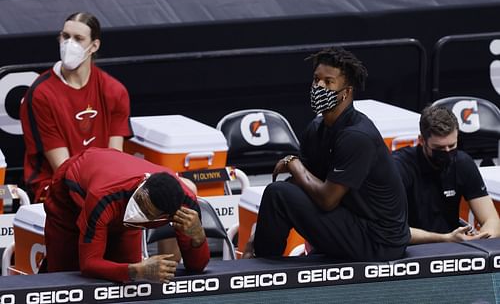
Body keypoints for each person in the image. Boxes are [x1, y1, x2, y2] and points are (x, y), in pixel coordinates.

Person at [245, 47, 410, 261]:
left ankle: (261, 265)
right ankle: (262, 261)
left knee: (277, 194)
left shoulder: (357, 136)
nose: (319, 86)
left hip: (380, 241)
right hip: (352, 220)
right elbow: (299, 184)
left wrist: (293, 163)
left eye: (328, 82)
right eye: (316, 80)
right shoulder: (316, 128)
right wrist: (259, 231)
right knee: (280, 193)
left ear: (346, 92)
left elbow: (327, 201)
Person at [44, 147, 209, 283]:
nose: (136, 209)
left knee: (127, 284)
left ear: (165, 216)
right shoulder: (102, 195)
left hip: (121, 211)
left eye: (146, 211)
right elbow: (88, 263)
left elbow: (197, 267)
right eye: (139, 201)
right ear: (144, 184)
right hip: (70, 202)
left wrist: (198, 237)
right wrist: (136, 270)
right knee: (66, 278)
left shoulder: (186, 207)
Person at [20, 12, 132, 203]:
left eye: (78, 39)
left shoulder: (114, 91)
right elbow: (63, 169)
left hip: (101, 184)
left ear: (94, 46)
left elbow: (115, 158)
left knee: (175, 190)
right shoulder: (41, 94)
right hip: (55, 186)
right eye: (65, 36)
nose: (68, 44)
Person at [392, 105, 500, 243]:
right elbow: (391, 231)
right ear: (421, 140)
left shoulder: (463, 163)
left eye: (452, 146)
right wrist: (446, 239)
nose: (447, 152)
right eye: (439, 148)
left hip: (454, 248)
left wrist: (481, 237)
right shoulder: (398, 167)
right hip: (410, 249)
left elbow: (492, 220)